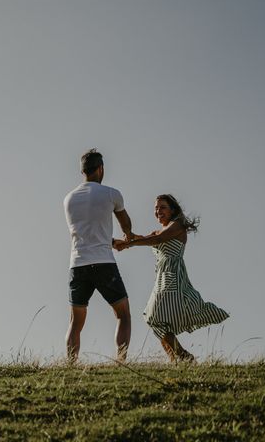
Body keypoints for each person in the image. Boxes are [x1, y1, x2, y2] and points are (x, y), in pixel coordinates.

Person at [115, 194, 229, 362]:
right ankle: (175, 359)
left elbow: (158, 239)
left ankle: (184, 356)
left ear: (172, 210)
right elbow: (142, 238)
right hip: (161, 278)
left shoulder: (177, 226)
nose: (158, 211)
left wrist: (129, 243)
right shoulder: (159, 231)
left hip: (172, 276)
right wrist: (121, 240)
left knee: (154, 317)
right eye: (156, 208)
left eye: (162, 207)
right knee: (156, 320)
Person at [63, 149, 134, 363]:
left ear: (83, 170)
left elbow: (85, 232)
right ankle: (121, 361)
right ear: (101, 168)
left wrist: (109, 241)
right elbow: (126, 226)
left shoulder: (69, 198)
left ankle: (70, 365)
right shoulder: (111, 194)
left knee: (75, 323)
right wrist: (127, 238)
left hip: (78, 264)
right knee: (123, 315)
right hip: (104, 263)